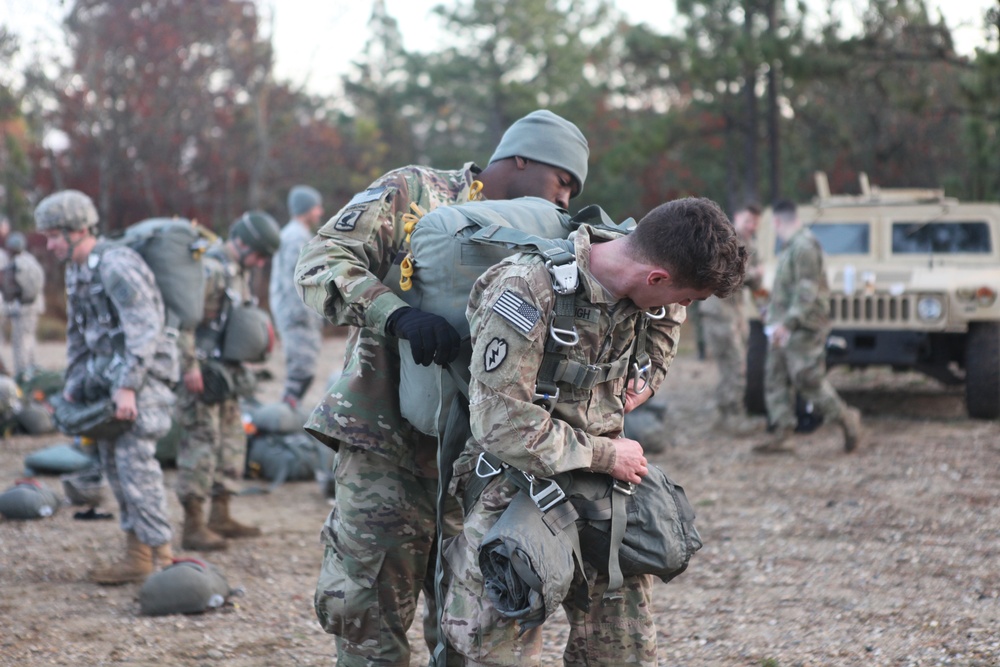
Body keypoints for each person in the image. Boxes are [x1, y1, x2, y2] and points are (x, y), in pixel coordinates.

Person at [301, 110, 652, 666]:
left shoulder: (554, 230)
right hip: (385, 439)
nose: (564, 201)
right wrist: (395, 315)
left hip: (482, 458)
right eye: (562, 182)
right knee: (368, 609)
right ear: (521, 158)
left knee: (470, 617)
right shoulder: (417, 191)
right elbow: (321, 262)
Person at [441, 197, 747, 665]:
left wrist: (646, 379)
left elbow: (668, 321)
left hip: (602, 498)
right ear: (657, 279)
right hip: (516, 490)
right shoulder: (528, 290)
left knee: (623, 655)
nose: (683, 308)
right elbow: (499, 423)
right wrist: (606, 456)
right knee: (494, 653)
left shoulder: (650, 290)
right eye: (685, 296)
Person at [34, 190, 179, 584]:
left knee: (137, 467)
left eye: (53, 236)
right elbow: (79, 336)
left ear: (78, 230)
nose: (49, 245)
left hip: (141, 381)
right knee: (115, 466)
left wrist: (128, 386)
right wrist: (73, 385)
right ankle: (137, 555)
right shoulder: (78, 270)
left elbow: (144, 328)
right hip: (108, 382)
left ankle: (163, 559)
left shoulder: (116, 265)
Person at [176, 211, 280, 551]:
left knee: (232, 441)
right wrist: (188, 364)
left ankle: (221, 514)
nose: (261, 263)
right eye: (259, 254)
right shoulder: (208, 268)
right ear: (241, 242)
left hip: (226, 374)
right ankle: (193, 525)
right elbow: (184, 320)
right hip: (201, 371)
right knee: (201, 443)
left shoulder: (239, 272)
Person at [757, 199, 863, 454]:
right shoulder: (791, 247)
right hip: (783, 326)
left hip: (802, 327)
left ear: (777, 222)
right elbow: (787, 289)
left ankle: (846, 419)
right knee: (775, 377)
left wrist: (789, 323)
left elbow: (808, 291)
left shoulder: (804, 246)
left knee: (808, 380)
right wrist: (772, 315)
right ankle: (783, 434)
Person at [699, 203, 762, 432]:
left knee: (734, 365)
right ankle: (731, 417)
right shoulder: (725, 240)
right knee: (734, 366)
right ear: (737, 216)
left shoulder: (750, 243)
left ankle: (725, 414)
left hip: (735, 314)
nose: (751, 225)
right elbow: (726, 276)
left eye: (755, 222)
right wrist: (755, 274)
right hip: (720, 315)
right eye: (748, 219)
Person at [269, 185, 325, 408]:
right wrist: (305, 314)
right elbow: (295, 281)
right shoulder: (295, 238)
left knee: (304, 370)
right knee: (301, 372)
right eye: (316, 207)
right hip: (297, 315)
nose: (320, 212)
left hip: (298, 314)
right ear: (306, 210)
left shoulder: (297, 235)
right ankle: (284, 417)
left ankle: (289, 416)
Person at [1, 232, 46, 377]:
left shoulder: (19, 264)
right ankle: (31, 369)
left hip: (25, 308)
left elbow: (14, 288)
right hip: (31, 307)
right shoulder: (29, 260)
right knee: (28, 339)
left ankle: (24, 374)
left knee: (21, 342)